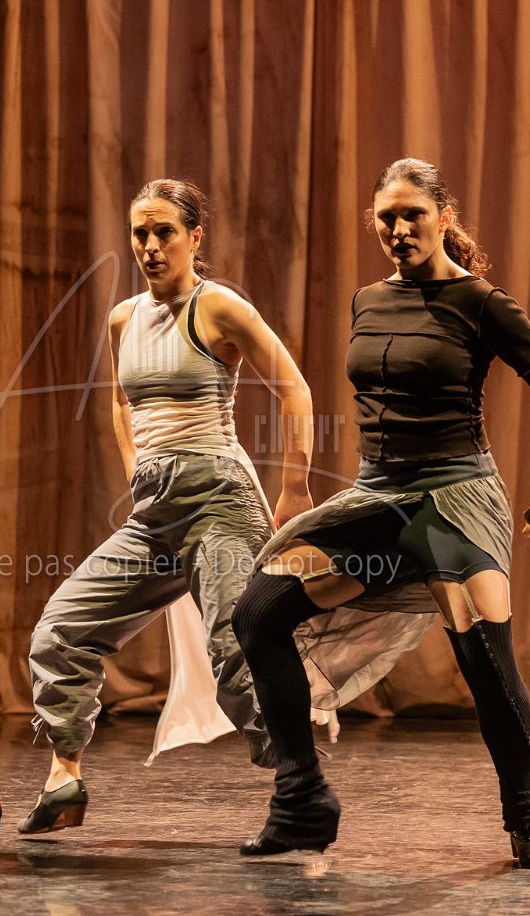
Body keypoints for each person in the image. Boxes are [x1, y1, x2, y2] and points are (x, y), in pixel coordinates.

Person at [231, 158, 530, 868]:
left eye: (412, 215)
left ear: (443, 218)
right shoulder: (368, 300)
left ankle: (527, 818)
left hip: (454, 498)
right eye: (386, 218)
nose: (398, 229)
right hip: (379, 499)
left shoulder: (478, 301)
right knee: (259, 613)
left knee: (483, 656)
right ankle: (301, 800)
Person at [21, 178, 315, 834]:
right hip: (155, 513)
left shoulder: (219, 307)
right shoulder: (123, 317)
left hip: (220, 502)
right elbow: (119, 403)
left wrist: (295, 487)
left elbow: (295, 389)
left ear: (194, 237)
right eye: (140, 234)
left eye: (165, 233)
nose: (150, 246)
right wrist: (139, 473)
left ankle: (302, 787)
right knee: (61, 631)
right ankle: (64, 777)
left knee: (237, 654)